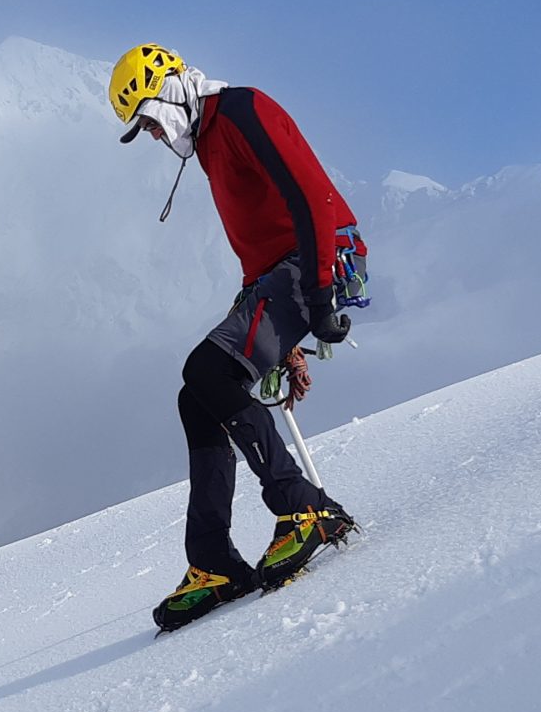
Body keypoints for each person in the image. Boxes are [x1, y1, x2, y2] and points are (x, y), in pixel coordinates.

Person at [109, 43, 365, 631]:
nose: (150, 135)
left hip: (319, 257)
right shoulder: (208, 142)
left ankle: (304, 509)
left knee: (208, 371)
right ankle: (214, 562)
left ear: (168, 87)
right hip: (285, 272)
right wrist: (286, 338)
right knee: (196, 393)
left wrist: (321, 295)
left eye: (147, 118)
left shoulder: (243, 110)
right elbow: (260, 242)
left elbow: (311, 195)